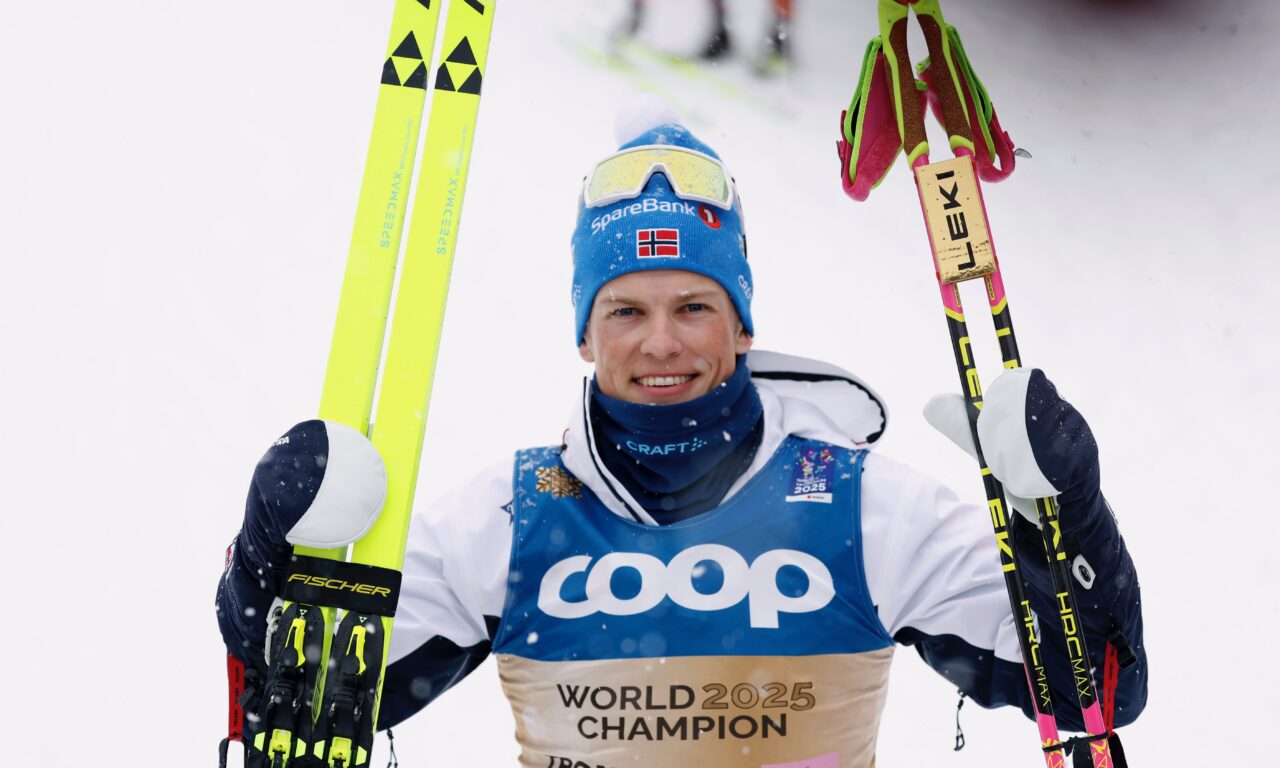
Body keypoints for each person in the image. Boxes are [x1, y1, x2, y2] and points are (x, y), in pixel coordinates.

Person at [217, 111, 1146, 766]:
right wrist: (268, 552)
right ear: (584, 334)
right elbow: (306, 711)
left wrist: (1064, 518)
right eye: (625, 309)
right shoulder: (511, 518)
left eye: (694, 306)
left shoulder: (863, 505)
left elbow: (1086, 687)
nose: (661, 343)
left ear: (743, 323)